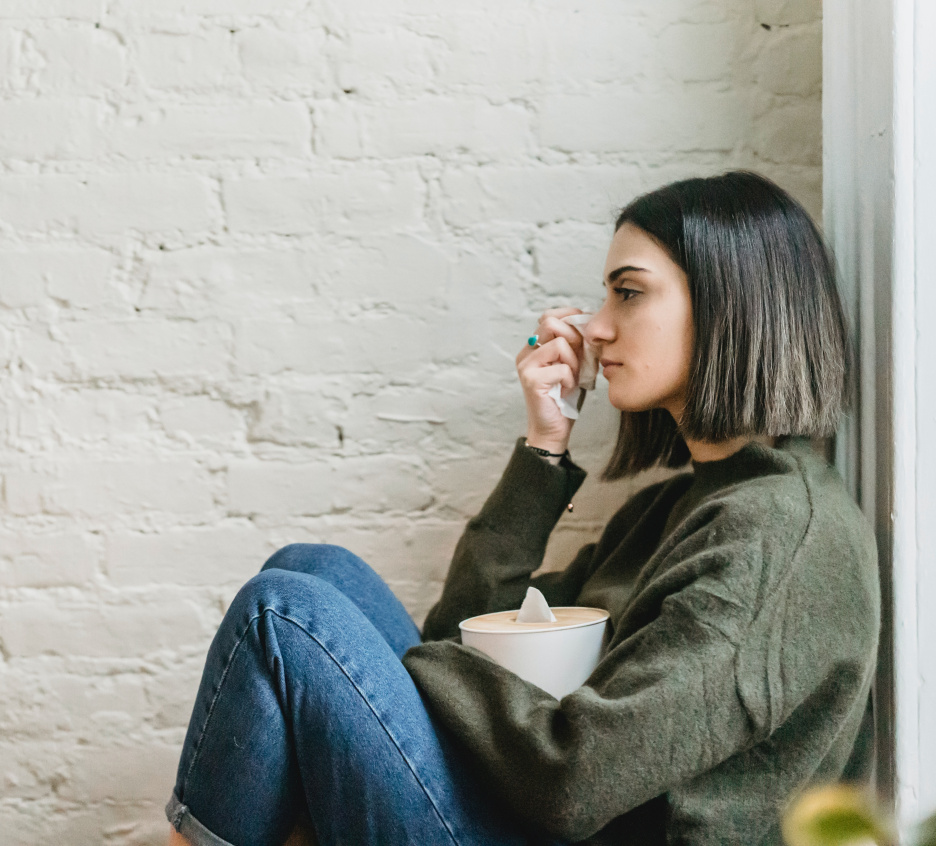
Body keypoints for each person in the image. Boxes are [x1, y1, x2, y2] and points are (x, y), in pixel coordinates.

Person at [164, 172, 880, 846]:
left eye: (629, 294)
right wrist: (544, 447)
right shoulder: (673, 508)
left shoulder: (777, 536)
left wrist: (418, 668)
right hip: (530, 816)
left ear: (730, 306)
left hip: (561, 822)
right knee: (313, 570)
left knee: (282, 613)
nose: (597, 328)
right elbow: (466, 634)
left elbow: (575, 776)